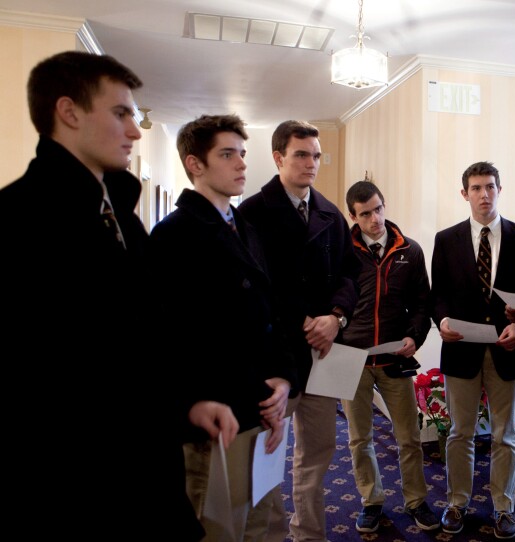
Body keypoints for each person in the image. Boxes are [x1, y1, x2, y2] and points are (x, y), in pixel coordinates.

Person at [0, 50, 222, 541]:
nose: (135, 129)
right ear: (69, 112)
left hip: (143, 464)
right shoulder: (18, 219)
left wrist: (185, 403)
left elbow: (140, 335)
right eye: (121, 112)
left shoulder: (118, 211)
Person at [148, 114, 294, 542]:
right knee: (219, 529)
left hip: (264, 409)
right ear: (195, 164)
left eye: (242, 154)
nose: (241, 164)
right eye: (227, 154)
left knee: (262, 525)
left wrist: (284, 380)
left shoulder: (244, 227)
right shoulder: (173, 236)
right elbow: (174, 341)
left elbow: (274, 312)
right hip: (218, 416)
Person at [239, 119, 361, 542]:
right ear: (278, 158)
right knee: (267, 454)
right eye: (301, 154)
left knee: (319, 453)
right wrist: (302, 323)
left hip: (326, 352)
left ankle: (309, 533)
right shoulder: (252, 213)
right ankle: (271, 535)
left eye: (316, 155)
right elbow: (253, 284)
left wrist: (336, 317)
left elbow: (350, 274)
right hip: (277, 354)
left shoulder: (329, 212)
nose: (311, 163)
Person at [430, 161, 515, 540]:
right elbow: (437, 294)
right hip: (460, 351)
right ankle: (457, 502)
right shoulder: (446, 239)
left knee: (505, 435)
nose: (484, 194)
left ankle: (504, 507)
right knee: (460, 433)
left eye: (490, 186)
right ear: (465, 194)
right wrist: (440, 321)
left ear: (499, 189)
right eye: (476, 188)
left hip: (508, 352)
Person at [339, 180, 440, 533]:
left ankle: (416, 500)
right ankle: (371, 501)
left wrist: (415, 336)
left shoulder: (409, 251)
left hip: (395, 359)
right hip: (352, 360)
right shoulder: (342, 252)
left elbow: (422, 304)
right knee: (359, 439)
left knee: (409, 437)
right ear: (353, 216)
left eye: (378, 209)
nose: (374, 218)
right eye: (365, 213)